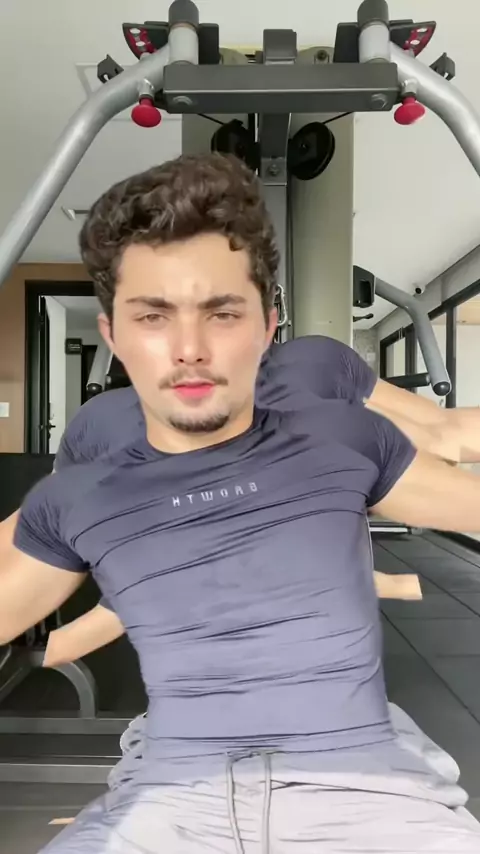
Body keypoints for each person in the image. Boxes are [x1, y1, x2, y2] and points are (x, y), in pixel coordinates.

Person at [3, 153, 480, 851]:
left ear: (266, 323)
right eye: (154, 316)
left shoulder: (336, 419)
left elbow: (448, 440)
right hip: (172, 792)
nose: (190, 349)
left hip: (367, 787)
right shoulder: (89, 468)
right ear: (114, 335)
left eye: (222, 313)